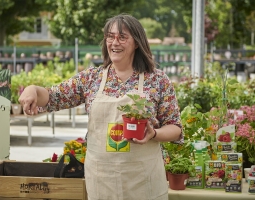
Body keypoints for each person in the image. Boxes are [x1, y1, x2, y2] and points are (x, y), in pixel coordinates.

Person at [19, 13, 182, 200]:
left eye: (122, 37)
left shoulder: (157, 80)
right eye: (110, 36)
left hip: (143, 180)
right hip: (103, 180)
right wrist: (32, 90)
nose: (114, 42)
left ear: (136, 43)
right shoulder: (91, 78)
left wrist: (154, 134)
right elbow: (54, 96)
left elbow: (175, 127)